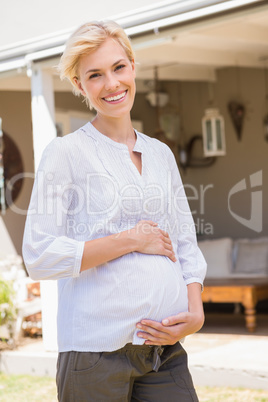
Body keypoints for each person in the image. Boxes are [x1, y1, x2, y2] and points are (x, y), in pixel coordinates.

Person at [22, 20, 207, 402]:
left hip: (164, 353)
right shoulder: (66, 153)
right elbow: (39, 256)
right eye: (95, 75)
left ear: (133, 67)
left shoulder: (160, 153)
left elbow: (185, 241)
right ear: (80, 85)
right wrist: (130, 240)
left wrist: (196, 310)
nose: (111, 84)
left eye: (118, 68)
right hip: (94, 356)